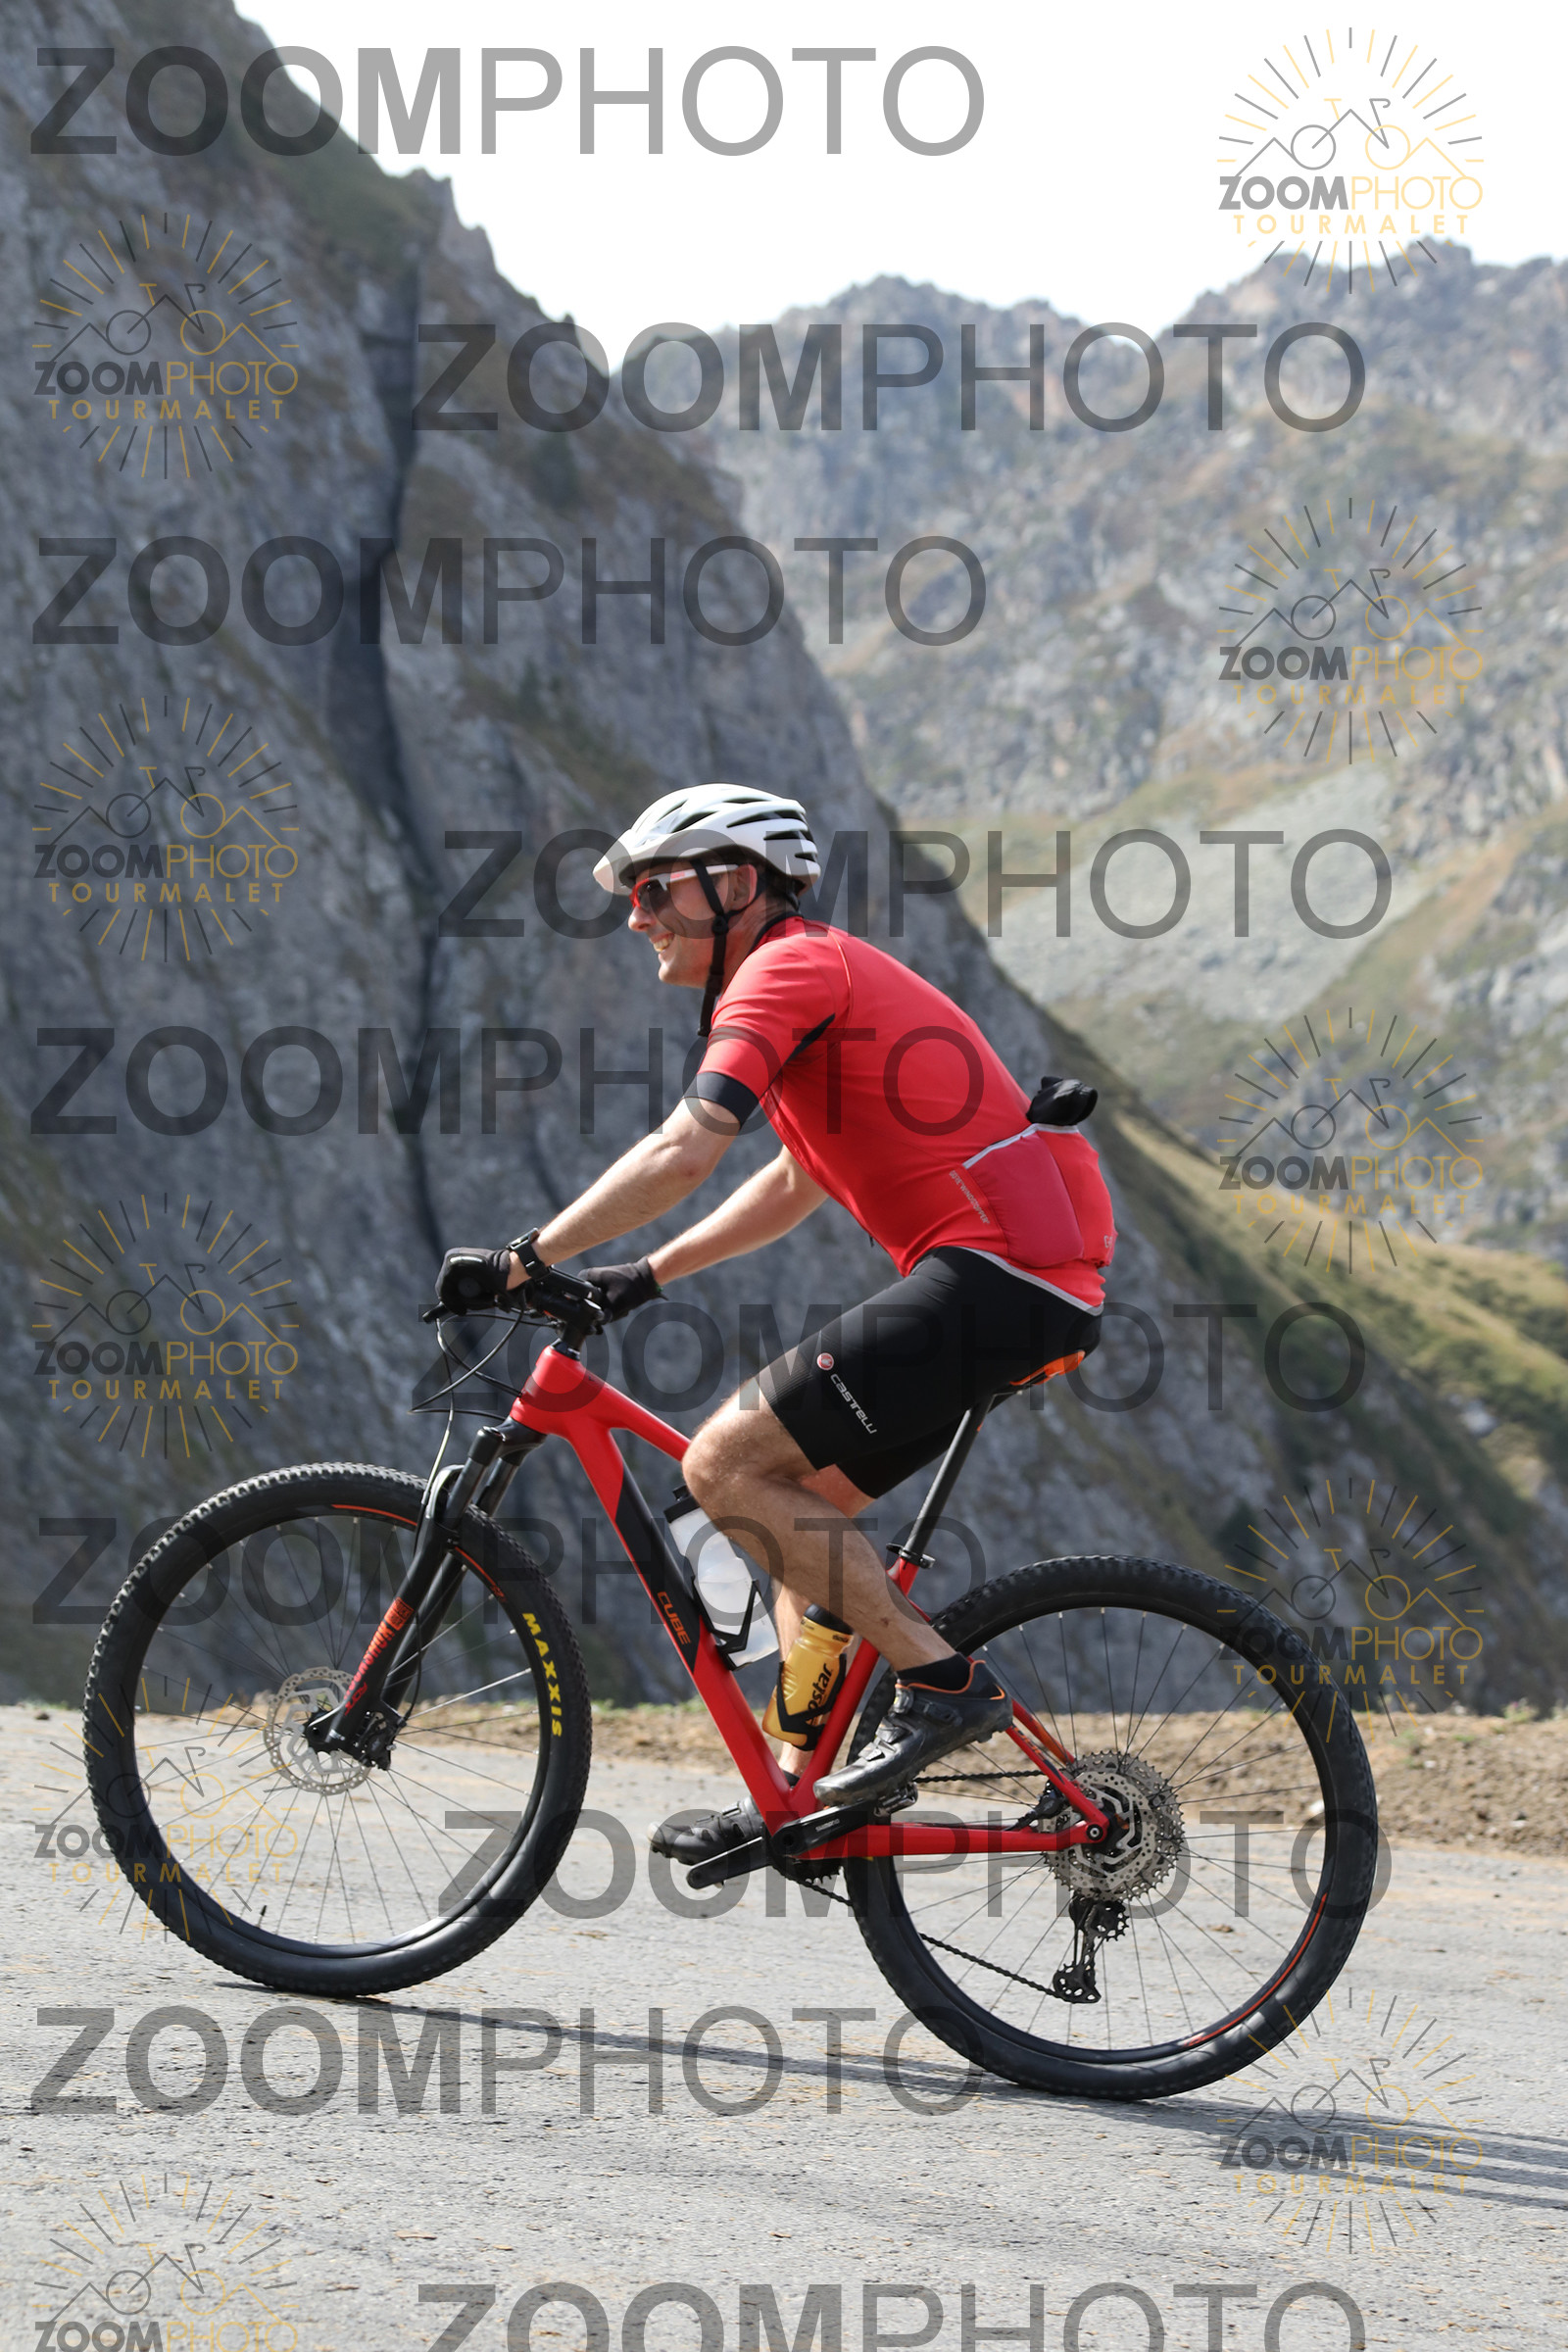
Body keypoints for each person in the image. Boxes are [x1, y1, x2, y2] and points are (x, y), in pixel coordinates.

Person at [434, 784, 1116, 1863]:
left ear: (736, 885)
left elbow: (685, 1150)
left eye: (655, 890)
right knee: (799, 1517)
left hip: (1000, 1279)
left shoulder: (788, 970)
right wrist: (644, 1274)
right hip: (1019, 1288)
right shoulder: (810, 981)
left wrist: (527, 1257)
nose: (636, 917)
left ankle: (943, 1687)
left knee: (722, 1466)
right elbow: (796, 1179)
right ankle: (800, 1794)